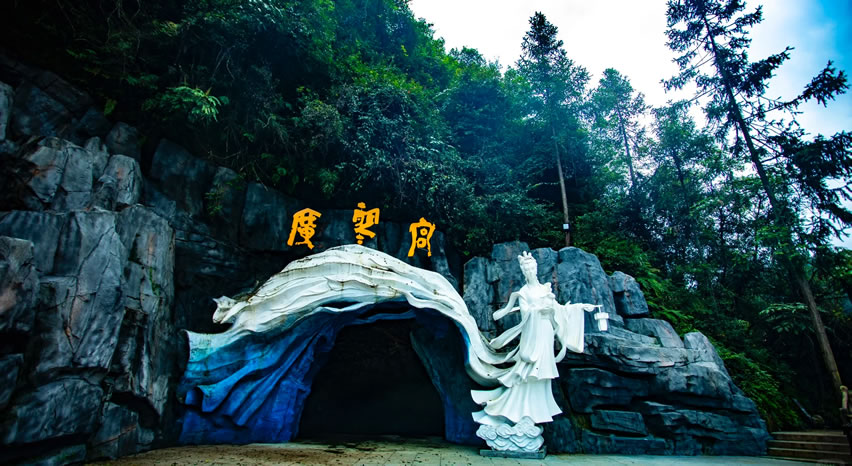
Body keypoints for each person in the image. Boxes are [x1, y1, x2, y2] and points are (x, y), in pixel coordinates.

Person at [472, 251, 601, 427]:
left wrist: (579, 307)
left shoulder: (545, 289)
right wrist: (539, 310)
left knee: (542, 373)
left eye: (532, 268)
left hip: (545, 331)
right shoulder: (523, 292)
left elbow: (559, 309)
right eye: (527, 269)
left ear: (536, 268)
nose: (530, 271)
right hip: (532, 333)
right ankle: (512, 410)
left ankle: (533, 412)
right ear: (523, 272)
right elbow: (525, 313)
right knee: (527, 372)